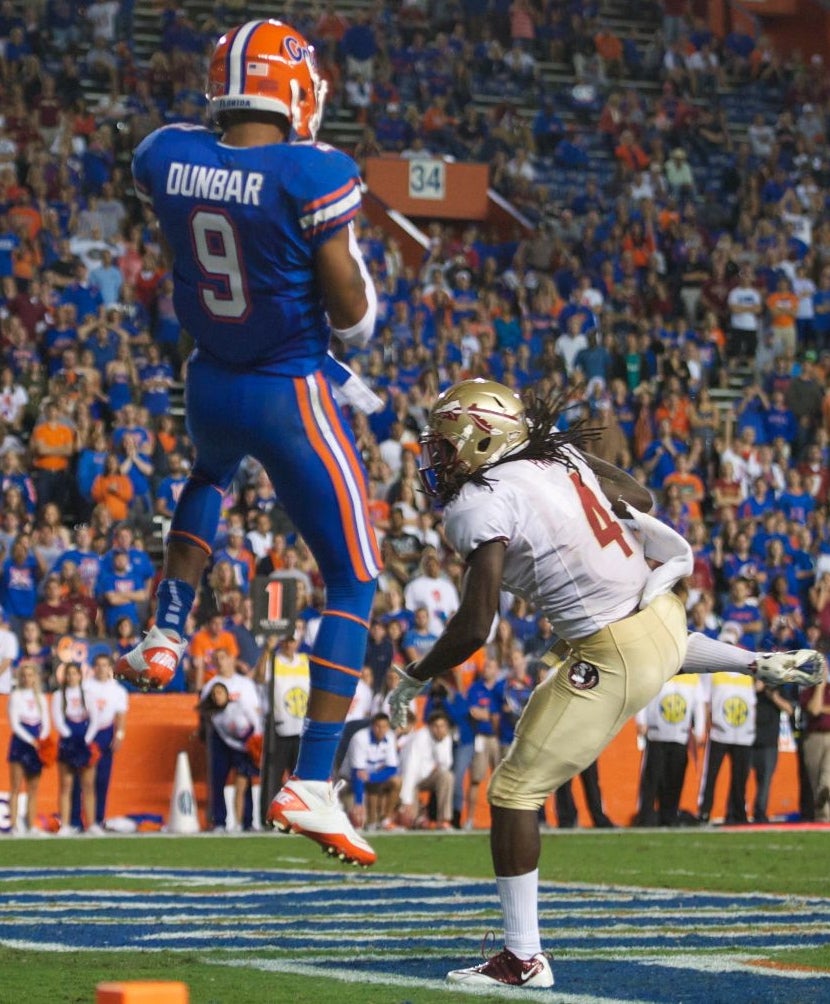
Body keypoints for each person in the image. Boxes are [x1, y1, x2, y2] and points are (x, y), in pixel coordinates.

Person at [389, 378, 824, 988]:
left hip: (614, 651)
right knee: (639, 653)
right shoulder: (558, 455)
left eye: (445, 444)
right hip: (663, 614)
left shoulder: (478, 502)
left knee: (513, 792)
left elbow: (474, 626)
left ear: (482, 439)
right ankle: (756, 660)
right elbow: (638, 493)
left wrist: (414, 675)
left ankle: (522, 958)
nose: (436, 458)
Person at [117, 18, 380, 867]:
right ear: (295, 90)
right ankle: (312, 779)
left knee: (209, 475)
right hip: (286, 386)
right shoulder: (313, 170)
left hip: (209, 379)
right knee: (355, 576)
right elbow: (351, 314)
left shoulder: (166, 152)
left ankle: (166, 630)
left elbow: (206, 177)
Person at [51, 660, 100, 836]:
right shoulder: (58, 695)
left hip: (85, 741)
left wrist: (86, 739)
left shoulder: (88, 695)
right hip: (68, 742)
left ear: (80, 675)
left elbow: (95, 719)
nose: (72, 677)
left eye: (75, 673)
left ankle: (92, 824)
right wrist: (70, 738)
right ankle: (64, 825)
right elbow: (57, 720)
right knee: (66, 785)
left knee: (88, 785)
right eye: (69, 674)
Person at [6, 660, 50, 835]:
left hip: (37, 744)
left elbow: (46, 721)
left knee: (33, 787)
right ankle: (14, 826)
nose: (26, 678)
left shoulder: (40, 697)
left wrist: (42, 739)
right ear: (19, 677)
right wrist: (31, 740)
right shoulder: (15, 696)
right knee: (15, 786)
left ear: (35, 678)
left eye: (30, 675)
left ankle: (31, 825)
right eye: (23, 675)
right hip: (21, 743)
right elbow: (15, 724)